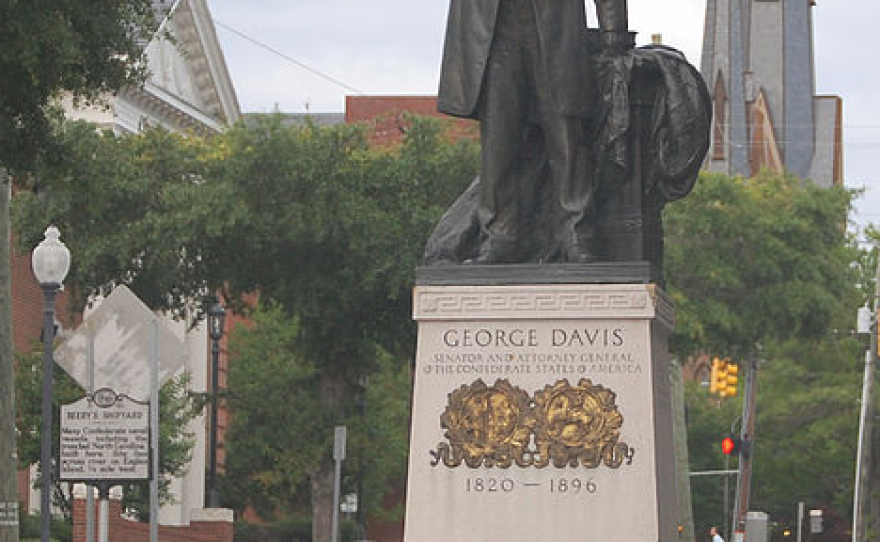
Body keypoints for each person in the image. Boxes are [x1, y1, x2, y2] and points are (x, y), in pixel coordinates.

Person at [437, 0, 629, 263]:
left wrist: (613, 30)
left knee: (566, 135)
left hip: (556, 27)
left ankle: (575, 233)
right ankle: (500, 236)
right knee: (498, 142)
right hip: (493, 27)